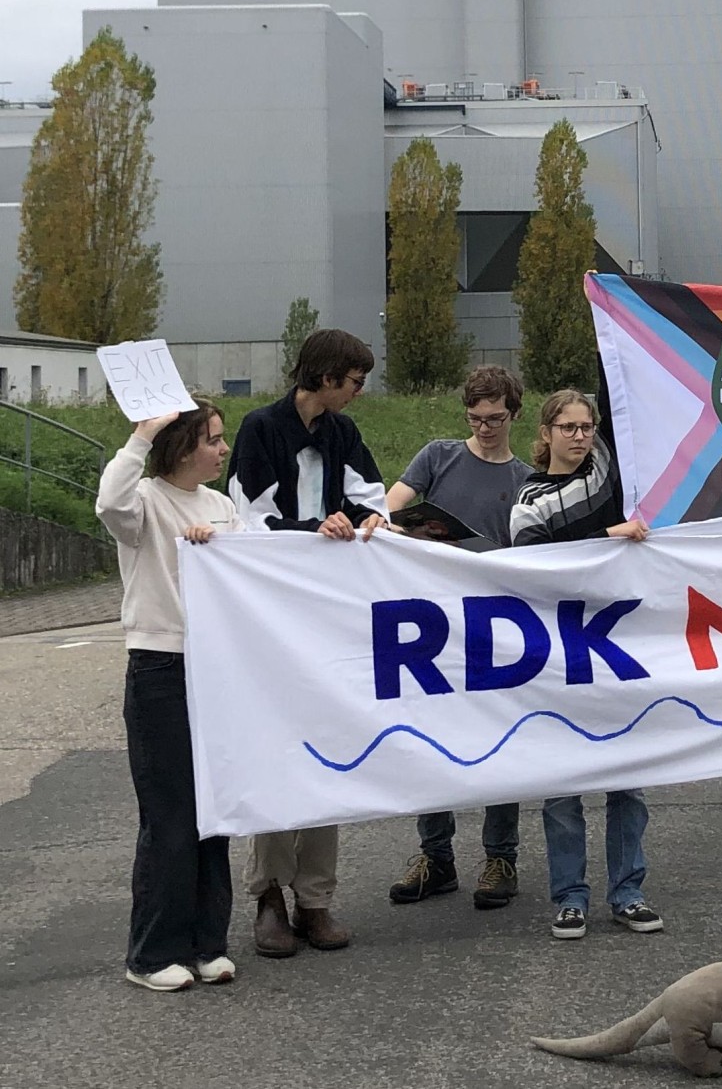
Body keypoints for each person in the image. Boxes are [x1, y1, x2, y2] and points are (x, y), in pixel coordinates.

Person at [226, 328, 387, 958]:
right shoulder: (260, 428)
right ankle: (269, 895)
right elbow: (249, 517)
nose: (358, 391)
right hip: (272, 613)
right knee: (276, 750)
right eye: (353, 380)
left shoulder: (343, 435)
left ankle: (315, 899)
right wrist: (310, 530)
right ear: (323, 376)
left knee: (330, 747)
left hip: (331, 614)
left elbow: (373, 497)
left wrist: (373, 520)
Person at [97, 401, 242, 992]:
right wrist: (141, 436)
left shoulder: (223, 506)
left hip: (218, 669)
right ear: (182, 449)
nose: (223, 449)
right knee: (169, 812)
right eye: (212, 439)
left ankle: (208, 941)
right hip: (160, 666)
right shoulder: (146, 502)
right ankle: (152, 953)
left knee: (214, 807)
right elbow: (109, 500)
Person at [509, 388, 663, 939]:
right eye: (568, 427)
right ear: (546, 432)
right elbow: (534, 561)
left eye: (586, 427)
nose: (580, 436)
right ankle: (570, 897)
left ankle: (629, 891)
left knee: (628, 780)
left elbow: (620, 381)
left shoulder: (606, 467)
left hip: (620, 649)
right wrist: (607, 537)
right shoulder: (529, 499)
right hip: (558, 654)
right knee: (563, 785)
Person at [385, 365, 536, 911]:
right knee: (433, 732)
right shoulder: (438, 455)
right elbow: (390, 507)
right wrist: (407, 526)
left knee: (501, 734)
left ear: (514, 414)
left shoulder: (525, 478)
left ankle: (501, 856)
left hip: (495, 621)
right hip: (432, 617)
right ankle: (436, 854)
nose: (486, 427)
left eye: (495, 418)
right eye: (475, 419)